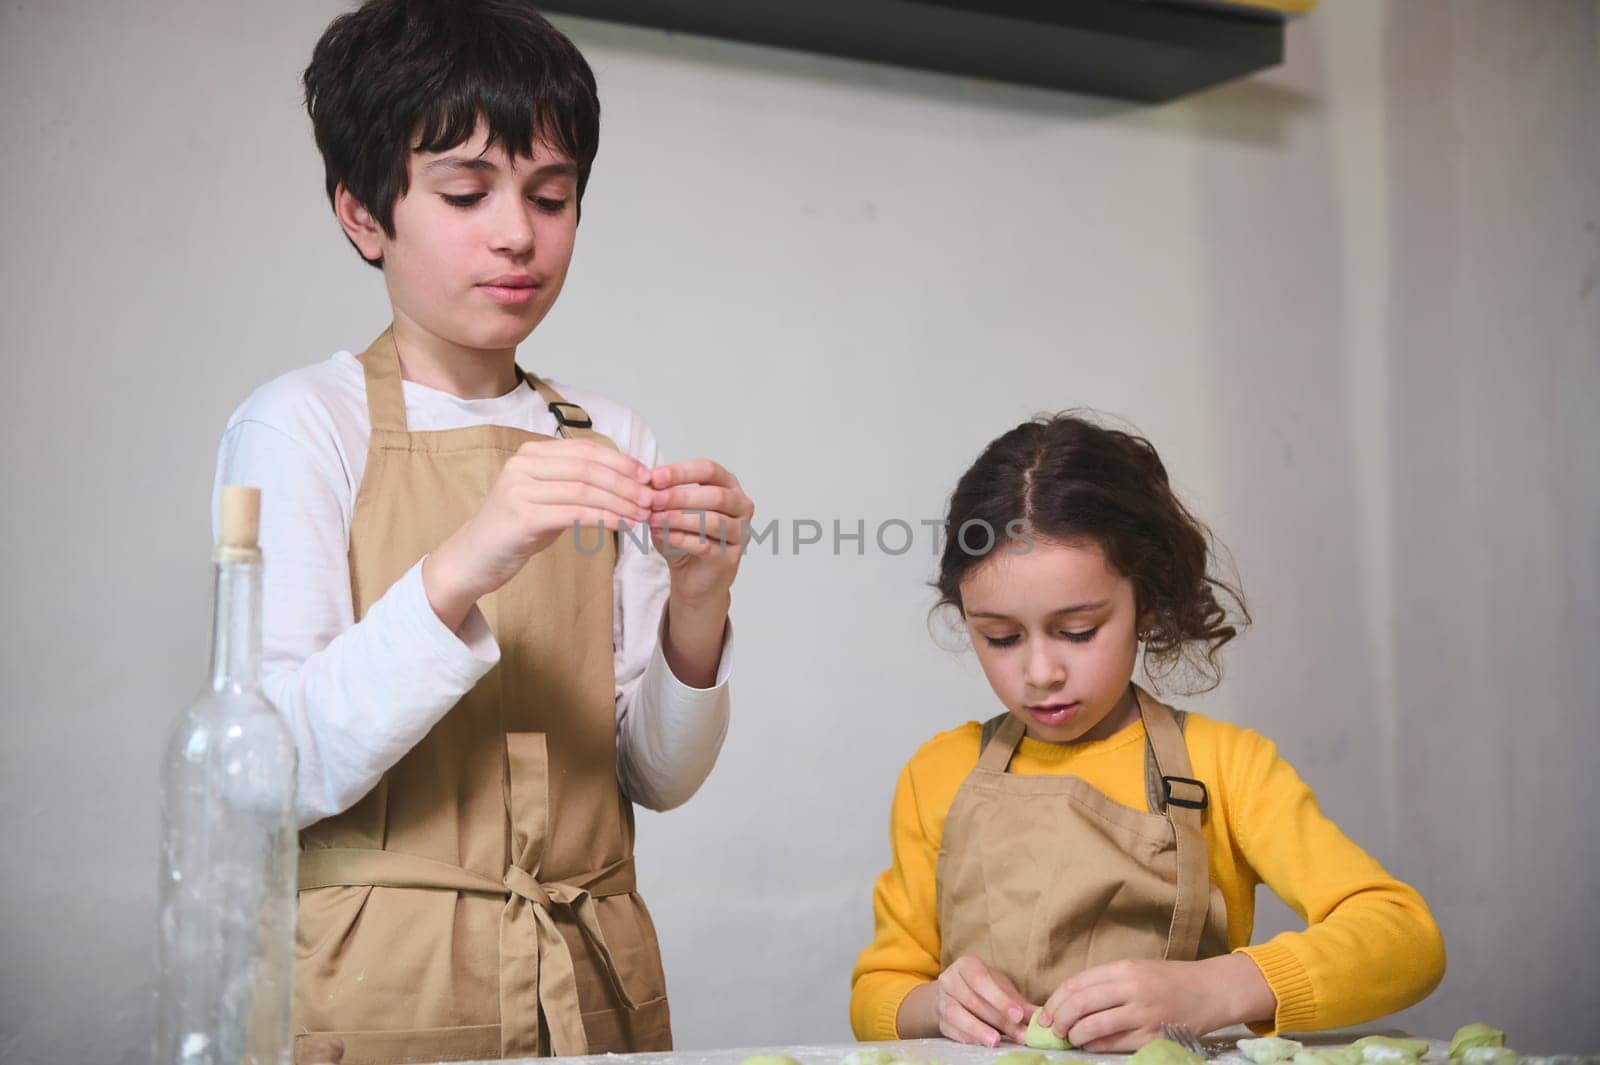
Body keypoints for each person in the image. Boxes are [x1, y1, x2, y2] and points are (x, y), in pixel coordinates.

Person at [211, 3, 752, 1060]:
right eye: (466, 193)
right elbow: (271, 769)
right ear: (364, 216)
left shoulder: (610, 434)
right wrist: (467, 558)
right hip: (379, 989)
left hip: (589, 988)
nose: (519, 233)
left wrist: (701, 603)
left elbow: (655, 778)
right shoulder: (298, 425)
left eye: (551, 198)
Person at [850, 413, 1443, 1051]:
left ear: (1148, 602)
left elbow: (1404, 937)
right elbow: (878, 991)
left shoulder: (1225, 766)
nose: (1040, 673)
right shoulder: (939, 772)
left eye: (1078, 631)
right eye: (1000, 637)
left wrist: (1213, 991)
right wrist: (935, 1004)